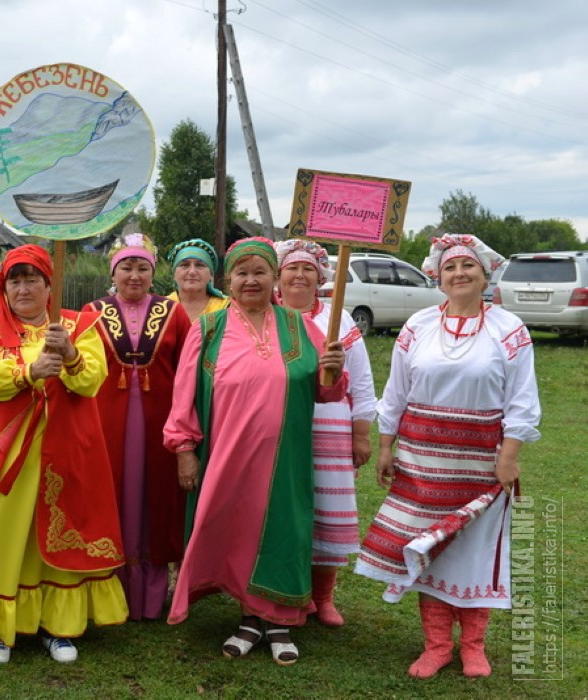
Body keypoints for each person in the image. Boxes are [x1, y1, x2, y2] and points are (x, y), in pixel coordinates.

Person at [355, 234, 540, 678]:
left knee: (473, 549)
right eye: (451, 267)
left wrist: (509, 456)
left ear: (484, 274)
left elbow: (522, 399)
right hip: (422, 460)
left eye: (468, 267)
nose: (459, 274)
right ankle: (437, 645)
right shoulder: (418, 325)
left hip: (481, 460)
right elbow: (396, 391)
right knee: (429, 547)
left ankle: (473, 645)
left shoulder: (509, 329)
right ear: (438, 275)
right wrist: (385, 445)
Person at [0, 244, 127, 664]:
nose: (23, 288)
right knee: (0, 539)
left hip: (67, 451)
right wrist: (29, 371)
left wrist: (71, 353)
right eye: (14, 279)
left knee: (56, 536)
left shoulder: (79, 325)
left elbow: (92, 381)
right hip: (4, 458)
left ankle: (57, 627)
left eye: (32, 279)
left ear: (47, 285)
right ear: (3, 286)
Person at [164, 237, 347, 665]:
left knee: (286, 529)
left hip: (287, 457)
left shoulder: (300, 325)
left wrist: (333, 371)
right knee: (238, 530)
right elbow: (183, 395)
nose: (251, 280)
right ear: (228, 281)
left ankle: (280, 620)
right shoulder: (208, 330)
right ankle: (249, 617)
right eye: (242, 273)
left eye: (260, 271)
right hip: (227, 455)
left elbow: (327, 392)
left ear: (274, 278)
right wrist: (184, 449)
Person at [83, 233, 190, 620]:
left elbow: (187, 373)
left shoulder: (173, 312)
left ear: (153, 272)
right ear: (114, 271)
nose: (134, 275)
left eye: (142, 267)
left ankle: (150, 594)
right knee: (111, 493)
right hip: (105, 423)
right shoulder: (92, 311)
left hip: (159, 424)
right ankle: (108, 588)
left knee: (155, 498)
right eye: (126, 267)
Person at [273, 239, 376, 627]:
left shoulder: (338, 318)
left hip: (330, 425)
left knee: (325, 510)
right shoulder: (264, 315)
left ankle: (323, 597)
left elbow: (361, 378)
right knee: (285, 507)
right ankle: (292, 592)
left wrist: (361, 433)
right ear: (278, 276)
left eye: (307, 269)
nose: (299, 276)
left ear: (320, 276)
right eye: (291, 269)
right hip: (280, 423)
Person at [166, 238, 230, 321]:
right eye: (184, 265)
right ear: (174, 274)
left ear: (211, 274)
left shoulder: (227, 308)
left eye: (200, 265)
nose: (192, 272)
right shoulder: (161, 308)